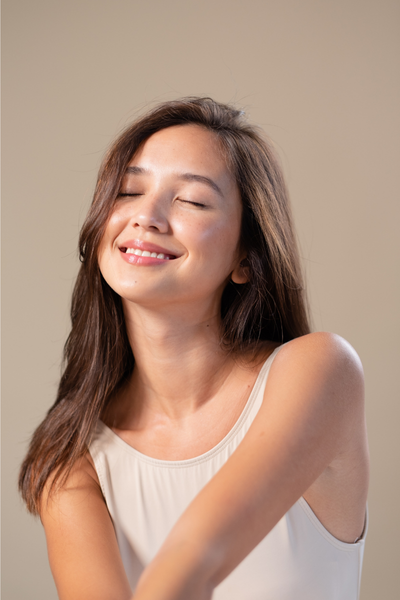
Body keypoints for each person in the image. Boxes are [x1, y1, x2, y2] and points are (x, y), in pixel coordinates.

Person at [19, 97, 369, 600]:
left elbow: (189, 570)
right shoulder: (69, 458)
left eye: (192, 201)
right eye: (128, 191)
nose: (146, 216)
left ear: (246, 258)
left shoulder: (321, 371)